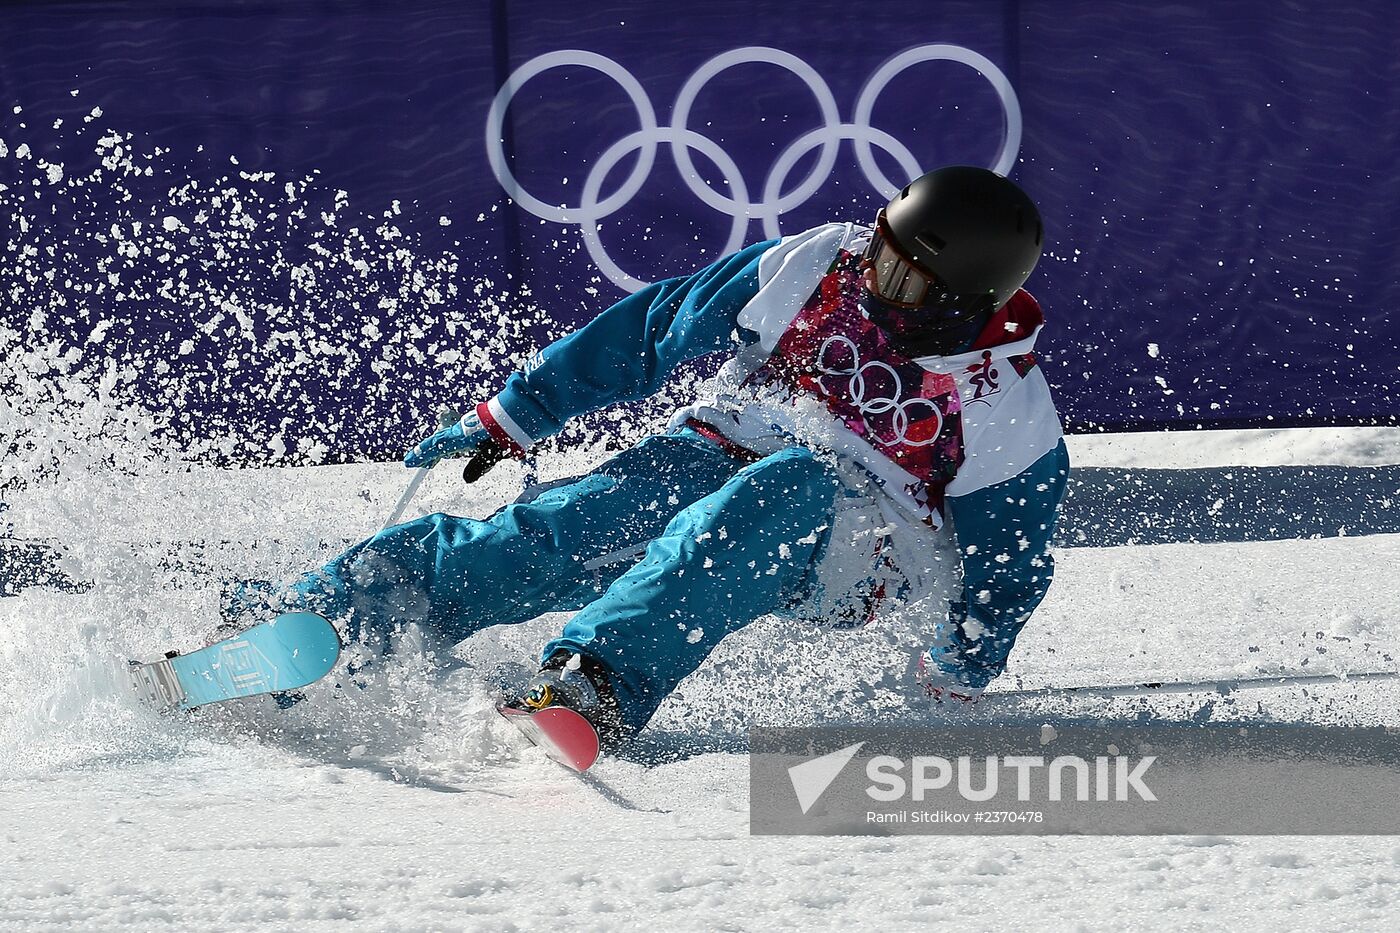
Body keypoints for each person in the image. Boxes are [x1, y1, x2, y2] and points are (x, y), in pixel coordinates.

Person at [260, 165, 1070, 749]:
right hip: (727, 440)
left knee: (779, 492)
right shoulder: (822, 262)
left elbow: (1012, 560)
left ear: (961, 302)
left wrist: (965, 660)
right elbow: (659, 323)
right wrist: (515, 413)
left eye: (903, 276)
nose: (872, 275)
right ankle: (342, 606)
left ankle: (597, 680)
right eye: (880, 248)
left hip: (859, 539)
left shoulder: (1004, 407)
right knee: (574, 522)